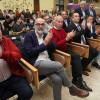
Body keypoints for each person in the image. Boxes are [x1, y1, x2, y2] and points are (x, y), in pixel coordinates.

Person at [23, 18, 89, 100]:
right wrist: (44, 43)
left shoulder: (45, 35)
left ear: (45, 26)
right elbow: (29, 52)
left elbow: (54, 47)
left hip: (47, 62)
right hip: (35, 64)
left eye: (42, 24)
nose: (40, 26)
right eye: (38, 24)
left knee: (57, 80)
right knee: (58, 65)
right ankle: (73, 89)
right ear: (34, 26)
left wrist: (49, 41)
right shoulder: (29, 36)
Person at [51, 16, 92, 91]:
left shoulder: (62, 30)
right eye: (58, 22)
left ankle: (77, 79)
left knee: (76, 57)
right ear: (54, 22)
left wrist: (70, 37)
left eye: (62, 22)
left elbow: (68, 41)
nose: (60, 23)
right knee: (76, 57)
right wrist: (66, 39)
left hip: (65, 50)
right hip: (58, 53)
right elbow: (55, 45)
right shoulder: (51, 31)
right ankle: (78, 80)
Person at [0, 28, 33, 100]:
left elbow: (18, 55)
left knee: (27, 92)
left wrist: (2, 54)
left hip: (12, 76)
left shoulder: (6, 40)